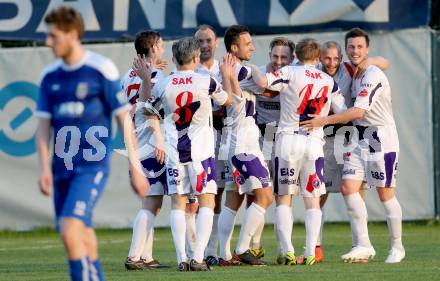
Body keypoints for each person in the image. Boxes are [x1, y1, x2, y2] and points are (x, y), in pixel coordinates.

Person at [35, 6, 148, 281]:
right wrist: (44, 170)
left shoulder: (100, 69)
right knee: (82, 231)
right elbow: (42, 129)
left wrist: (135, 167)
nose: (48, 42)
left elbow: (124, 120)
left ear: (72, 34)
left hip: (91, 167)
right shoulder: (50, 76)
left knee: (69, 228)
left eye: (54, 36)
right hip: (61, 169)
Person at [300, 28, 405, 264]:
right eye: (352, 47)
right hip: (357, 137)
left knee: (385, 193)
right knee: (349, 188)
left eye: (360, 47)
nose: (355, 51)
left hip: (380, 138)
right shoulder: (353, 70)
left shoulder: (370, 75)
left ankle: (397, 246)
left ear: (366, 49)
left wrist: (322, 120)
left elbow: (357, 111)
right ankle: (363, 244)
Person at [250, 38, 347, 265]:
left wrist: (254, 68)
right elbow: (342, 111)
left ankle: (288, 250)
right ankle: (312, 252)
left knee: (284, 199)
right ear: (318, 58)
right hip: (314, 142)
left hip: (288, 140)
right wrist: (323, 120)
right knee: (312, 201)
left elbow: (264, 82)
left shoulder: (290, 71)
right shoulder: (328, 80)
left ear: (296, 56)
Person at [143, 37, 235, 271]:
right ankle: (198, 258)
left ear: (174, 59)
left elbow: (148, 111)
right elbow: (228, 101)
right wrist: (226, 75)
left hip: (174, 152)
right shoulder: (207, 81)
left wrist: (159, 141)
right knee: (207, 201)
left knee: (178, 204)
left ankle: (182, 258)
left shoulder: (163, 84)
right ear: (196, 58)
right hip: (202, 154)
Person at [317, 41, 390, 262]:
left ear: (341, 58)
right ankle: (315, 248)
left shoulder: (351, 68)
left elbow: (385, 62)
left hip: (350, 137)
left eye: (335, 58)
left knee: (356, 191)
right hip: (325, 139)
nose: (331, 63)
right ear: (320, 58)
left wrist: (370, 60)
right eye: (327, 58)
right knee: (319, 193)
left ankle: (360, 245)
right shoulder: (312, 72)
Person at [218, 25, 273, 266]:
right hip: (243, 144)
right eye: (247, 43)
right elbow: (264, 84)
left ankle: (224, 254)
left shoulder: (233, 70)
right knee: (265, 195)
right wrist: (254, 69)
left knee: (233, 198)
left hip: (236, 141)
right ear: (234, 48)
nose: (252, 46)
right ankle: (242, 249)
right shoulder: (240, 71)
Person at [122, 30, 169, 270]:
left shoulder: (128, 75)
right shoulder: (155, 77)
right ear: (152, 47)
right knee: (152, 202)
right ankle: (133, 257)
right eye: (160, 44)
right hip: (150, 143)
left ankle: (146, 256)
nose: (163, 47)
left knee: (151, 203)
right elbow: (147, 107)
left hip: (136, 143)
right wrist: (160, 139)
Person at [194, 24, 224, 266]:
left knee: (218, 193)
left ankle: (212, 249)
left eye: (208, 41)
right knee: (194, 196)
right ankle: (195, 251)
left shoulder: (223, 69)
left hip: (223, 137)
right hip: (196, 141)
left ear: (216, 43)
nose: (204, 45)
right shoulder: (189, 70)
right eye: (200, 41)